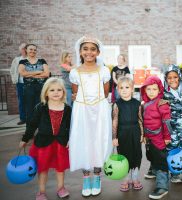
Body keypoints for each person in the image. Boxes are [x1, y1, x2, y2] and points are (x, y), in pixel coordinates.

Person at [68, 36, 112, 197]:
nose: (89, 52)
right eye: (85, 49)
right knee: (84, 140)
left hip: (99, 109)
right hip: (82, 110)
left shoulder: (104, 71)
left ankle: (97, 176)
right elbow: (75, 92)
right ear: (80, 51)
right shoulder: (74, 72)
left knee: (98, 140)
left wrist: (97, 102)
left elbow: (106, 91)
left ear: (98, 52)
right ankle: (86, 178)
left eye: (93, 49)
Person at [19, 77, 72, 200]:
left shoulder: (67, 109)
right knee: (43, 168)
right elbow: (32, 124)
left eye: (59, 90)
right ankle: (41, 191)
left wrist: (70, 139)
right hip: (43, 144)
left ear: (63, 92)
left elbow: (70, 127)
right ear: (46, 92)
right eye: (52, 90)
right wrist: (25, 139)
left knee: (60, 167)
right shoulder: (41, 107)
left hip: (61, 143)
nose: (56, 92)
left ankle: (61, 188)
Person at [141, 76, 171, 199]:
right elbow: (143, 121)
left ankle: (162, 186)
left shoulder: (162, 104)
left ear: (159, 90)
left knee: (160, 160)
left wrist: (167, 137)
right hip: (149, 137)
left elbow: (167, 122)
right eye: (149, 89)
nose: (152, 92)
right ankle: (153, 171)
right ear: (144, 90)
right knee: (151, 155)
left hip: (159, 138)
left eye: (154, 89)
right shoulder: (145, 104)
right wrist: (143, 135)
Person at [112, 76, 144, 192]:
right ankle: (126, 179)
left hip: (135, 131)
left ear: (132, 89)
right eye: (121, 88)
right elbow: (115, 121)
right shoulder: (117, 104)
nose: (124, 90)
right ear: (117, 90)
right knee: (124, 155)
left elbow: (140, 119)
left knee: (137, 154)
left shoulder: (137, 103)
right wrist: (114, 137)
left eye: (127, 87)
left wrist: (142, 134)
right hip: (122, 133)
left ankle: (135, 178)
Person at [163, 64, 182, 184]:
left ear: (179, 77)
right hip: (171, 128)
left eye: (175, 77)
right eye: (169, 78)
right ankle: (175, 173)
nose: (172, 80)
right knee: (172, 148)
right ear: (166, 79)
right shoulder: (164, 93)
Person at [18, 44, 50, 126]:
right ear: (26, 50)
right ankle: (29, 131)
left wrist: (29, 74)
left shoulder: (42, 60)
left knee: (41, 108)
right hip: (28, 88)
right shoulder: (23, 61)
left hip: (41, 88)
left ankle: (41, 130)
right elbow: (22, 73)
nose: (33, 51)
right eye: (30, 49)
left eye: (34, 50)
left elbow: (47, 74)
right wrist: (38, 72)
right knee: (29, 109)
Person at [10, 43, 27, 125]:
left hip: (29, 83)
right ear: (20, 50)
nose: (24, 50)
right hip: (20, 83)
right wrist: (14, 79)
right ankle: (23, 118)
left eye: (25, 48)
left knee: (30, 101)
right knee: (21, 101)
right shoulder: (17, 59)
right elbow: (12, 70)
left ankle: (31, 118)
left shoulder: (30, 59)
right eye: (23, 48)